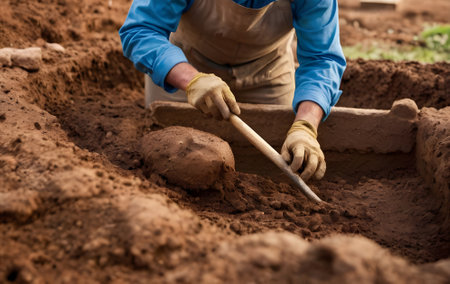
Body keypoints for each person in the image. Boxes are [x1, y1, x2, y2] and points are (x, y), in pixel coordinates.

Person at [119, 0, 346, 181]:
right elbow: (142, 29)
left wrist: (305, 126)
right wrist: (191, 80)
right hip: (187, 67)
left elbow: (322, 59)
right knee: (170, 165)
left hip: (268, 74)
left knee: (269, 173)